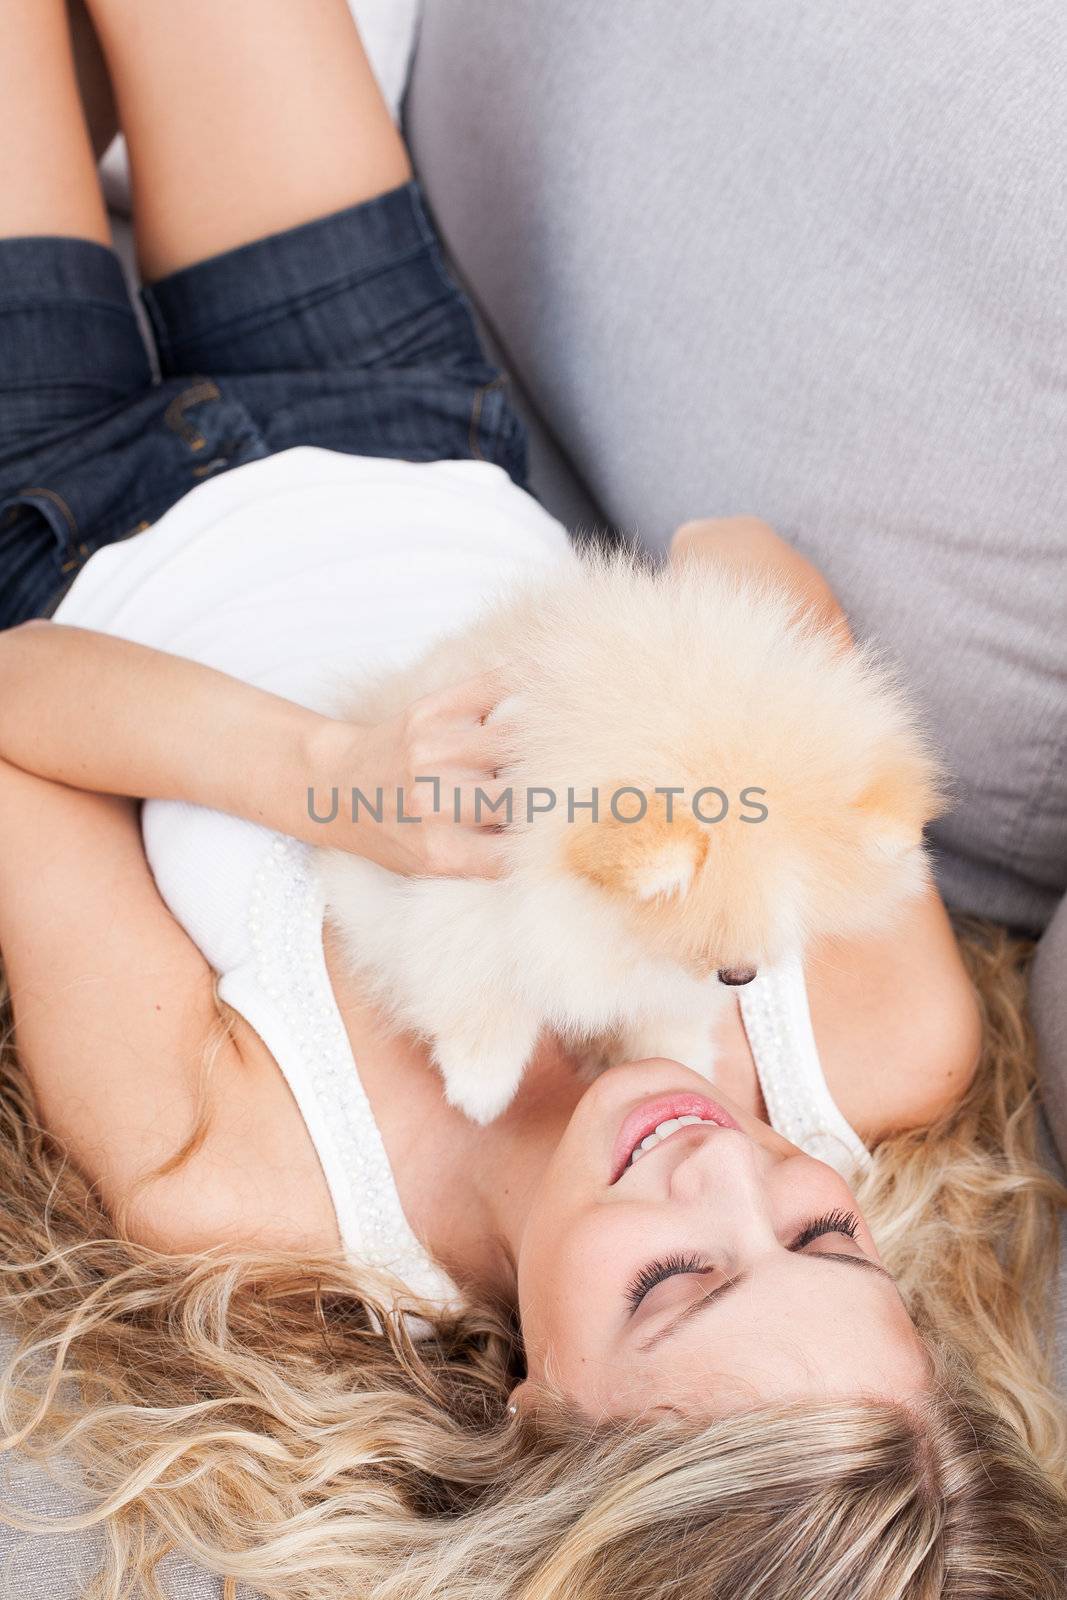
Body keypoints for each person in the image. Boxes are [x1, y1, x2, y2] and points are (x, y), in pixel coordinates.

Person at [0, 2, 1064, 1595]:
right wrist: (709, 761)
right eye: (825, 1241)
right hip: (392, 415)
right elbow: (731, 557)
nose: (721, 1173)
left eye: (677, 1285)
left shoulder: (258, 1187)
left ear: (543, 1415)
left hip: (53, 513)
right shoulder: (865, 1034)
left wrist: (333, 784)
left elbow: (14, 712)